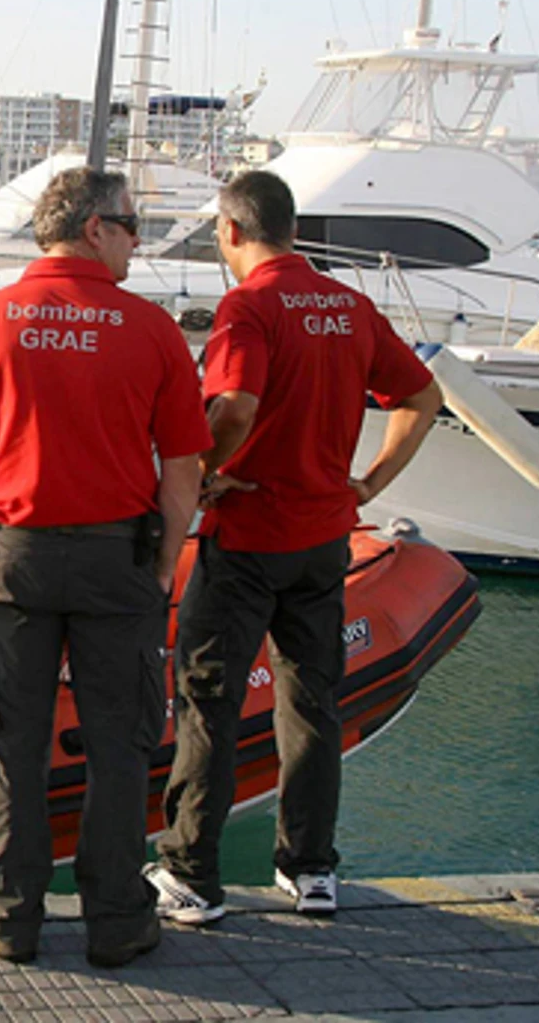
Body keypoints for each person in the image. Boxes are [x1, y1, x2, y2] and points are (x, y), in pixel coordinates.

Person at [0, 167, 210, 968]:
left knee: (8, 742)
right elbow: (182, 466)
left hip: (12, 555)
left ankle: (9, 913)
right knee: (119, 743)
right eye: (129, 223)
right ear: (92, 228)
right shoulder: (150, 328)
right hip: (119, 557)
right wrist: (163, 563)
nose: (136, 238)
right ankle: (117, 918)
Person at [146, 171, 442, 923]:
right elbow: (422, 397)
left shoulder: (249, 306)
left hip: (248, 540)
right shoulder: (349, 306)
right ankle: (310, 869)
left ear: (232, 231)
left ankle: (190, 874)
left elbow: (235, 404)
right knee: (312, 702)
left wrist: (208, 471)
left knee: (209, 701)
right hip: (322, 539)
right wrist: (368, 485)